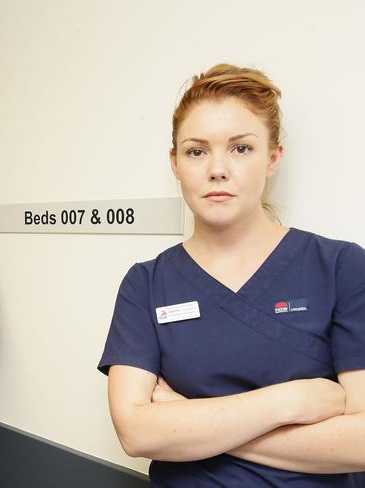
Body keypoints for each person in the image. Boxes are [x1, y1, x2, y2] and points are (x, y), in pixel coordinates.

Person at [98, 64, 365, 487]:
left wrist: (186, 419)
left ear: (273, 157)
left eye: (241, 148)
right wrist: (288, 401)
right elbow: (136, 432)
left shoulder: (341, 267)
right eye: (196, 151)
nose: (217, 169)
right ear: (175, 163)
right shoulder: (146, 285)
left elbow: (360, 443)